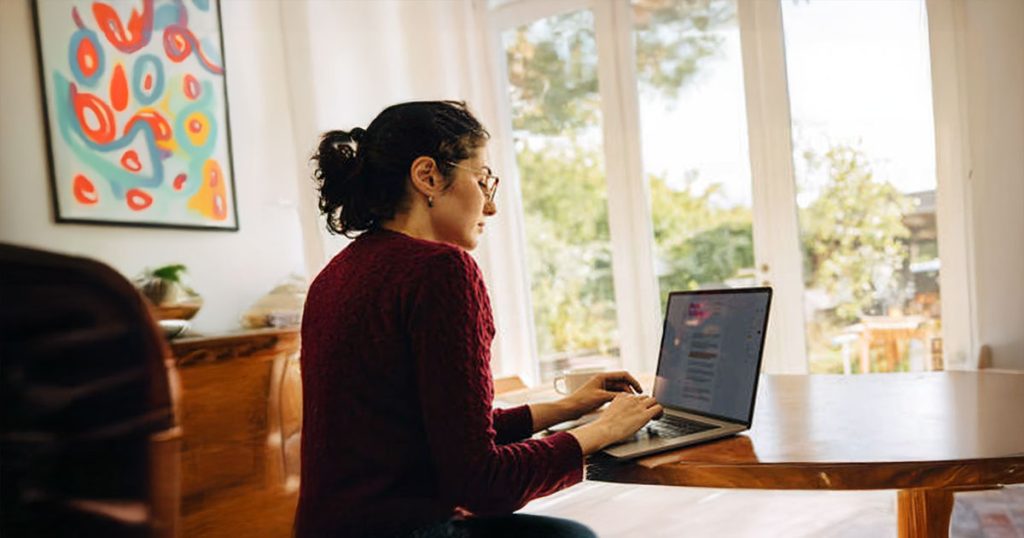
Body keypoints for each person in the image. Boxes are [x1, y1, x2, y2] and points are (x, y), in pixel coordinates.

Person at [296, 101, 663, 538]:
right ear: (428, 176)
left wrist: (568, 407)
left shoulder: (335, 275)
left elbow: (442, 431)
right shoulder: (441, 269)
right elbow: (481, 482)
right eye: (483, 179)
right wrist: (602, 431)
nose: (490, 207)